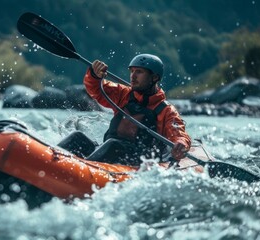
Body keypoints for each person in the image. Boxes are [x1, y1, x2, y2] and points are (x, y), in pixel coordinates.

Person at [58, 54, 191, 165]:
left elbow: (179, 134)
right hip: (109, 152)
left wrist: (180, 143)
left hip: (140, 162)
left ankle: (83, 170)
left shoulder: (166, 110)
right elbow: (96, 90)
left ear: (154, 77)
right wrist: (94, 75)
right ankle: (51, 161)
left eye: (139, 72)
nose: (133, 76)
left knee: (114, 145)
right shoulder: (124, 94)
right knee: (77, 137)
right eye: (132, 71)